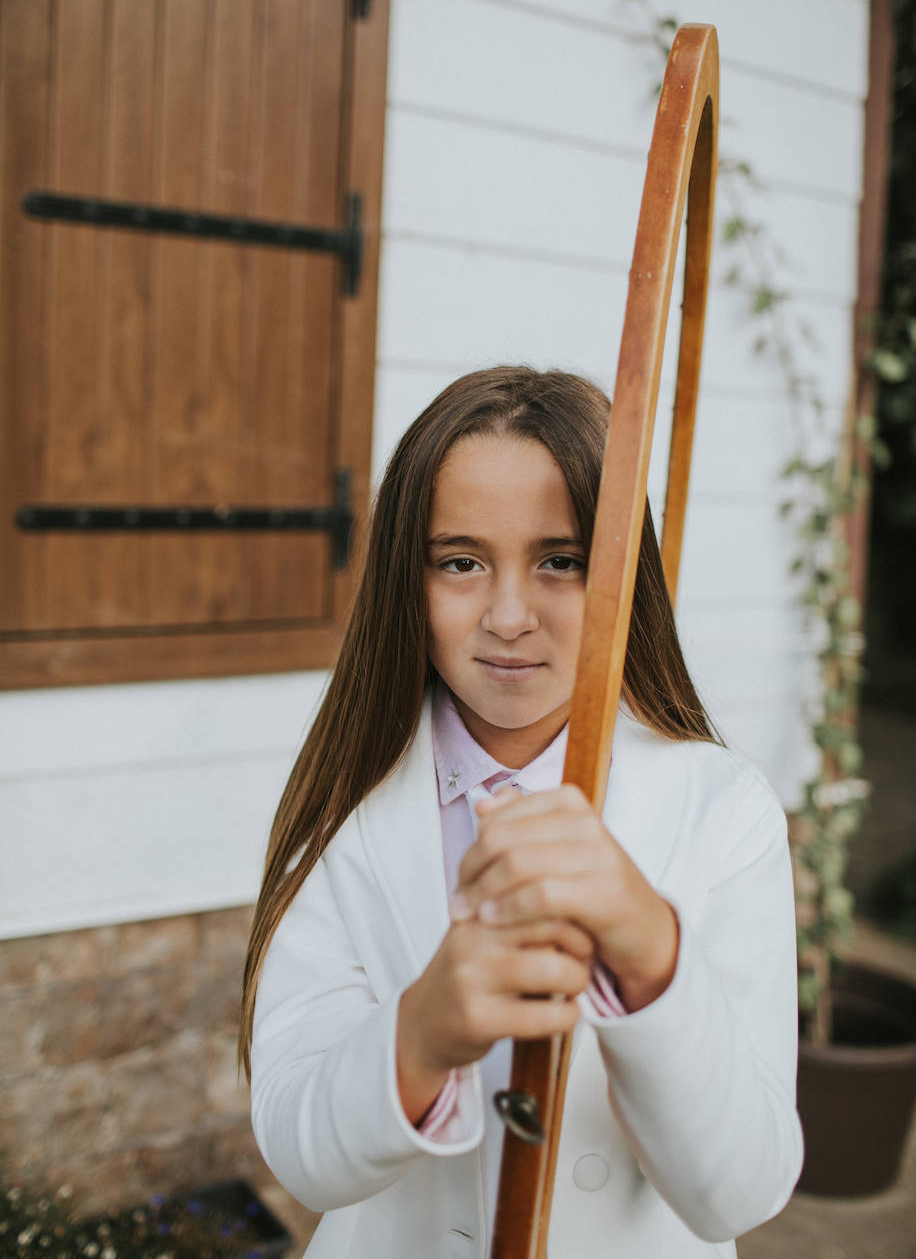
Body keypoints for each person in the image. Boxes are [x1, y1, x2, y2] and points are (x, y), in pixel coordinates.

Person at [239, 366, 803, 1259]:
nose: (508, 616)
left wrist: (653, 957)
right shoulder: (345, 813)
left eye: (561, 561)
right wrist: (422, 1030)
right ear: (405, 581)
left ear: (623, 576)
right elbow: (305, 1160)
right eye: (461, 562)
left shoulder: (722, 812)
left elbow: (741, 1189)